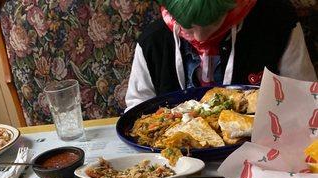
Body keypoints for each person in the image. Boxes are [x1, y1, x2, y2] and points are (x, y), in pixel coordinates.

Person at [125, 0, 317, 110]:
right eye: (188, 26)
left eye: (213, 22)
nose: (200, 36)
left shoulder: (278, 24)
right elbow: (137, 106)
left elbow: (305, 99)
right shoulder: (153, 41)